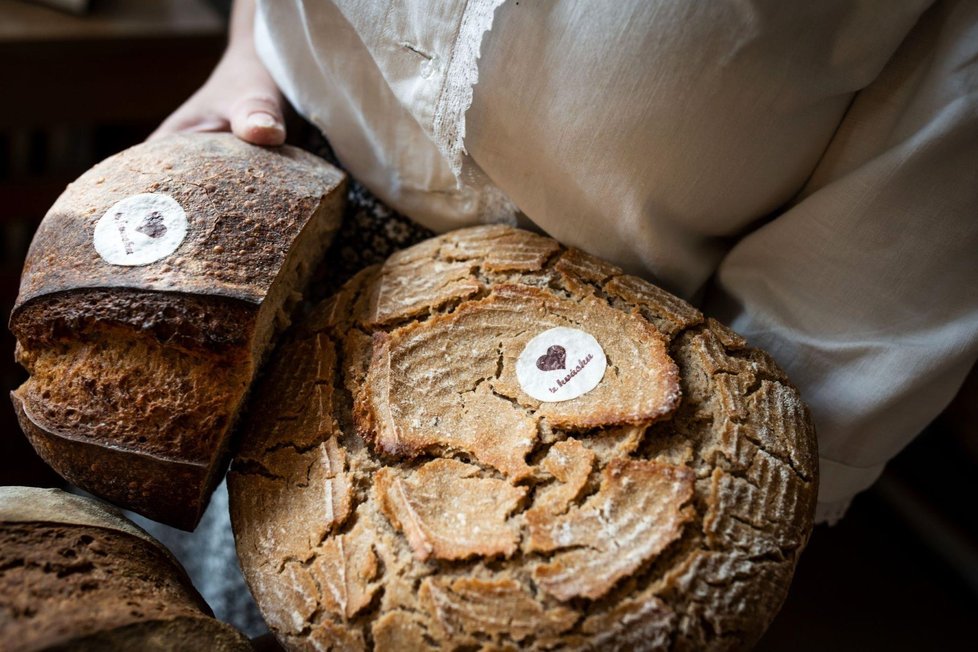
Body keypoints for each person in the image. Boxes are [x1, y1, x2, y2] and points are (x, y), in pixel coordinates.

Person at [154, 0, 978, 525]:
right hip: (285, 217)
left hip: (620, 389)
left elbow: (894, 238)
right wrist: (249, 46)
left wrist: (724, 479)